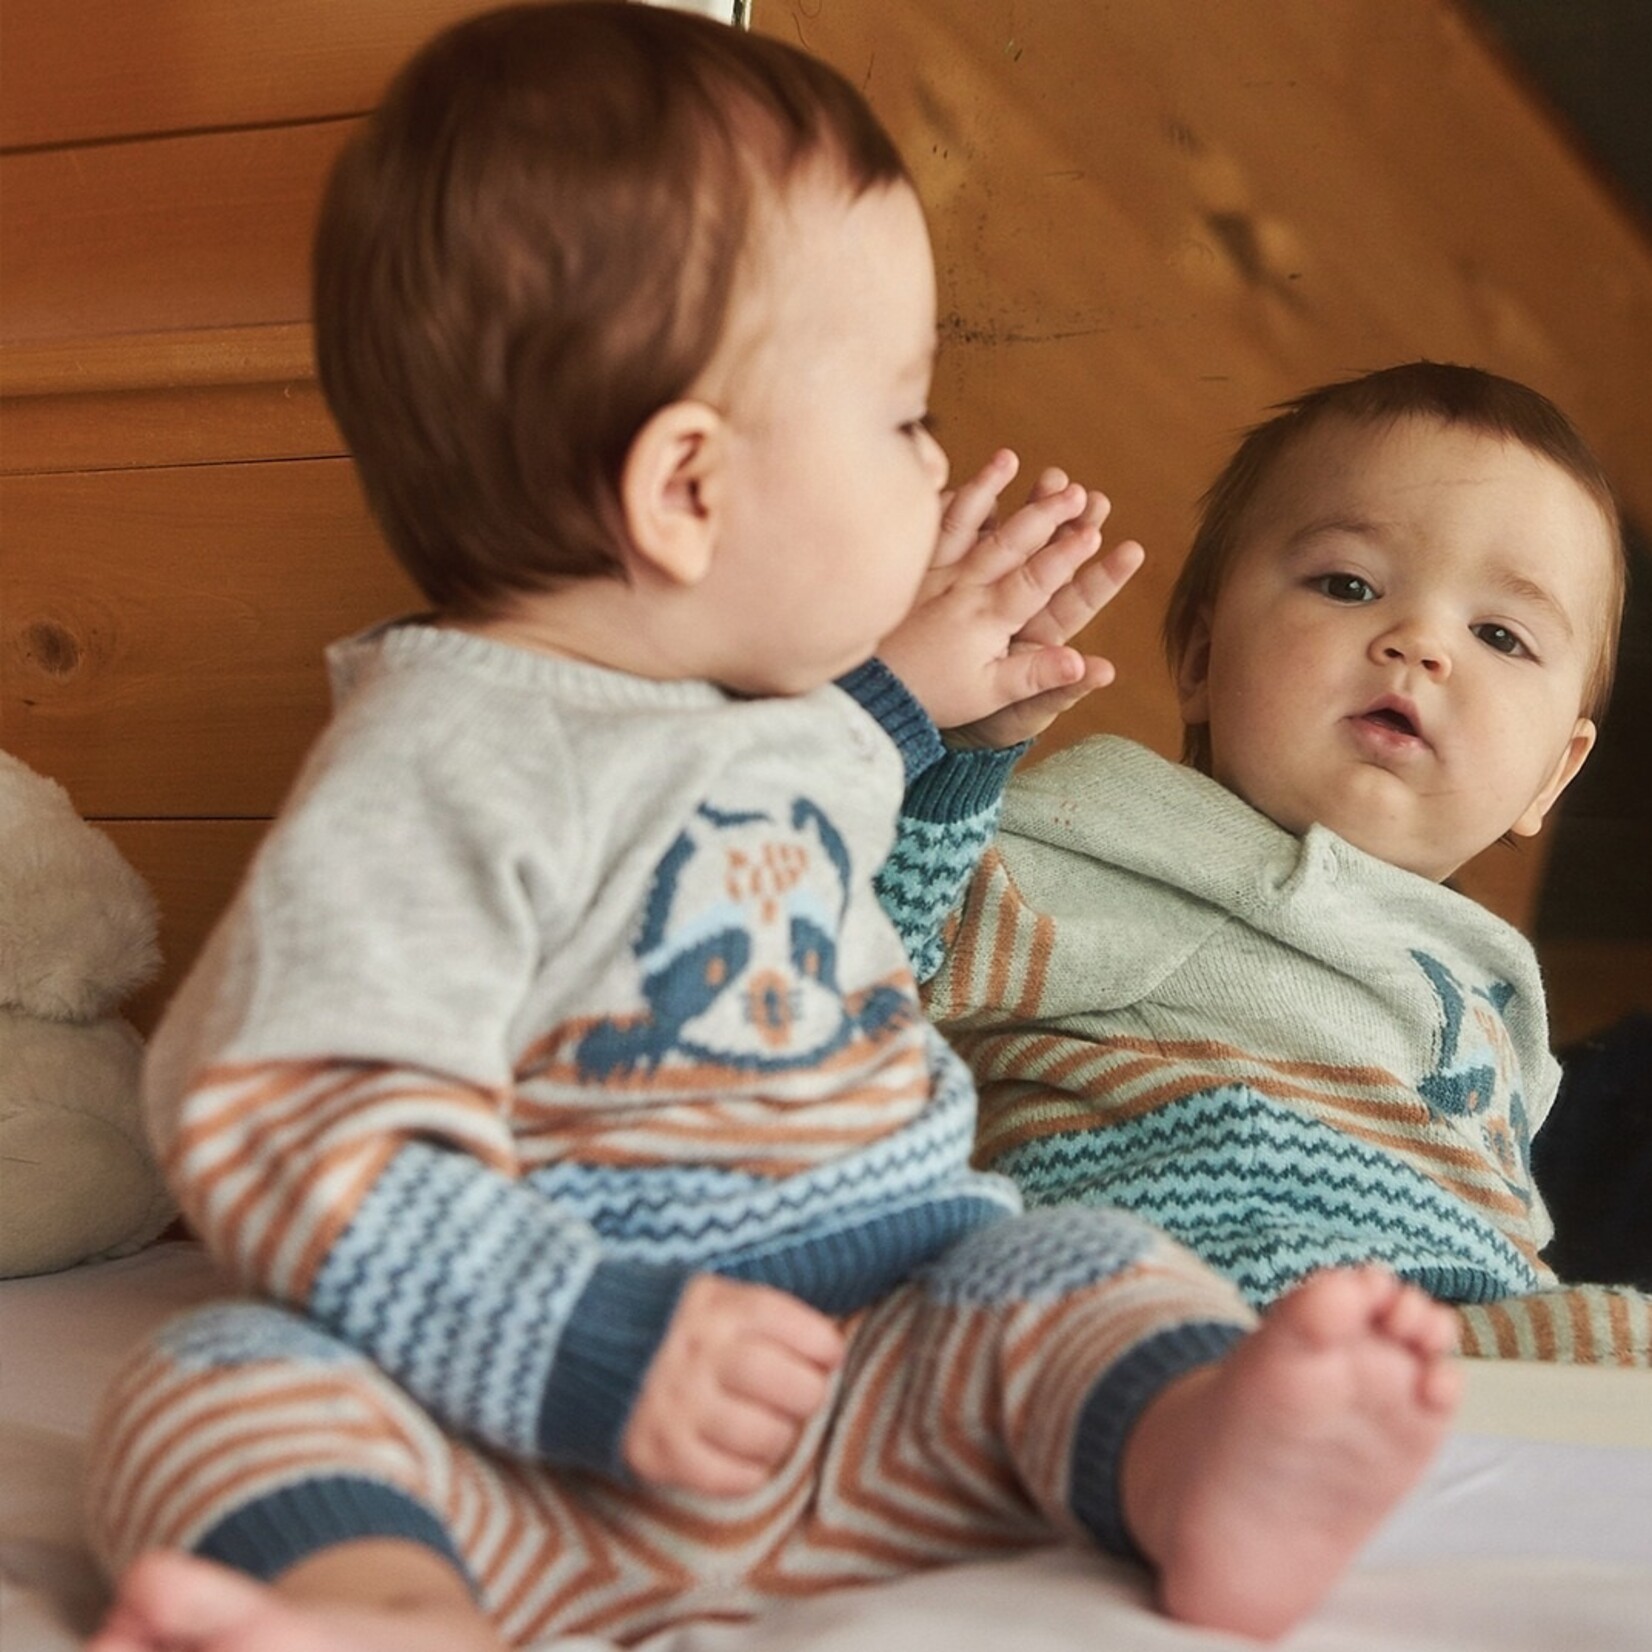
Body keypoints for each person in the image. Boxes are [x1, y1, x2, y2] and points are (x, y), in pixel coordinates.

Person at [83, 12, 1460, 1651]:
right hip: (527, 1437)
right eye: (901, 419)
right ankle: (378, 1602)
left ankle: (1190, 1457)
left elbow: (803, 815)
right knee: (215, 1386)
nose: (931, 461)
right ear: (688, 492)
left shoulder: (756, 721)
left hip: (872, 1360)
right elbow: (285, 1103)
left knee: (1082, 1271)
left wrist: (940, 720)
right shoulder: (447, 756)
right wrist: (598, 1342)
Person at [901, 362, 1651, 1364]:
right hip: (1190, 1297)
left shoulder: (1493, 975)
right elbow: (858, 961)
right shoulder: (1122, 830)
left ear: (1547, 780)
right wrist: (947, 765)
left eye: (1498, 635)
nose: (1419, 642)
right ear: (1202, 657)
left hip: (1455, 1336)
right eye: (1347, 584)